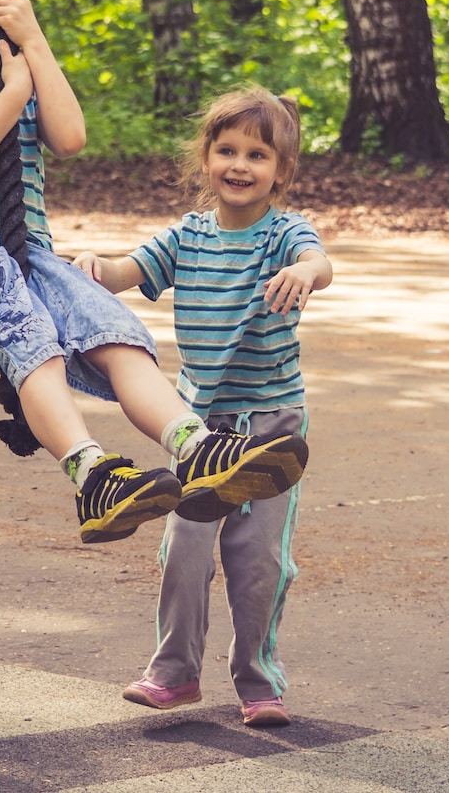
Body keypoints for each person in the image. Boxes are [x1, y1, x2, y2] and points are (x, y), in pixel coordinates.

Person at [0, 0, 309, 545]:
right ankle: (91, 472)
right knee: (33, 342)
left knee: (115, 331)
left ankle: (197, 448)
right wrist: (13, 98)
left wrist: (34, 46)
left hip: (25, 260)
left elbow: (71, 136)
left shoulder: (17, 75)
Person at [72, 87, 332, 726]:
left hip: (271, 427)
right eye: (227, 150)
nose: (240, 165)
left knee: (259, 563)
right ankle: (174, 672)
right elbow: (125, 271)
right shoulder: (186, 236)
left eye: (258, 155)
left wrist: (307, 272)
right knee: (184, 551)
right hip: (198, 430)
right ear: (207, 158)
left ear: (281, 172)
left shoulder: (284, 234)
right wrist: (86, 267)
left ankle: (258, 680)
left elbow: (318, 261)